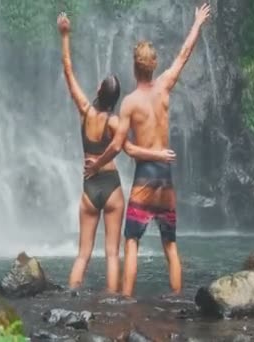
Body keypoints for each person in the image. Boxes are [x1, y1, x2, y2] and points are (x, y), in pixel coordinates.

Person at [85, 4, 211, 297]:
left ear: (134, 67)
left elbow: (118, 146)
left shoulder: (129, 102)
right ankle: (178, 298)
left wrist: (95, 165)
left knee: (131, 241)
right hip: (165, 176)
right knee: (170, 245)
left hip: (144, 179)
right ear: (154, 66)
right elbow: (184, 53)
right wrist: (197, 23)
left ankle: (127, 300)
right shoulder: (165, 86)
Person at [57, 12, 175, 293]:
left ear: (99, 90)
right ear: (116, 99)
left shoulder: (85, 112)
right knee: (112, 253)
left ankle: (71, 295)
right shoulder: (115, 121)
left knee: (82, 254)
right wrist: (102, 162)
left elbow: (68, 71)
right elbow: (120, 146)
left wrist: (64, 35)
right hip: (110, 186)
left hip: (89, 187)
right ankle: (113, 304)